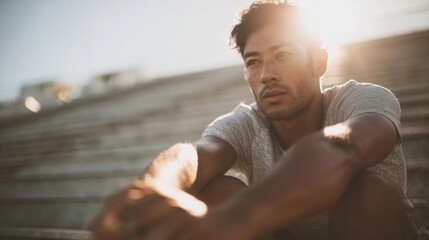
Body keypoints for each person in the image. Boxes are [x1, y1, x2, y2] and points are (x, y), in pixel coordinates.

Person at [89, 1, 416, 239]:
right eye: (253, 62)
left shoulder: (363, 98)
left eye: (283, 55)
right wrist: (153, 190)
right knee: (217, 191)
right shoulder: (248, 122)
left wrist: (234, 219)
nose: (266, 75)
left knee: (363, 194)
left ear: (318, 62)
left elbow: (342, 148)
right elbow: (197, 155)